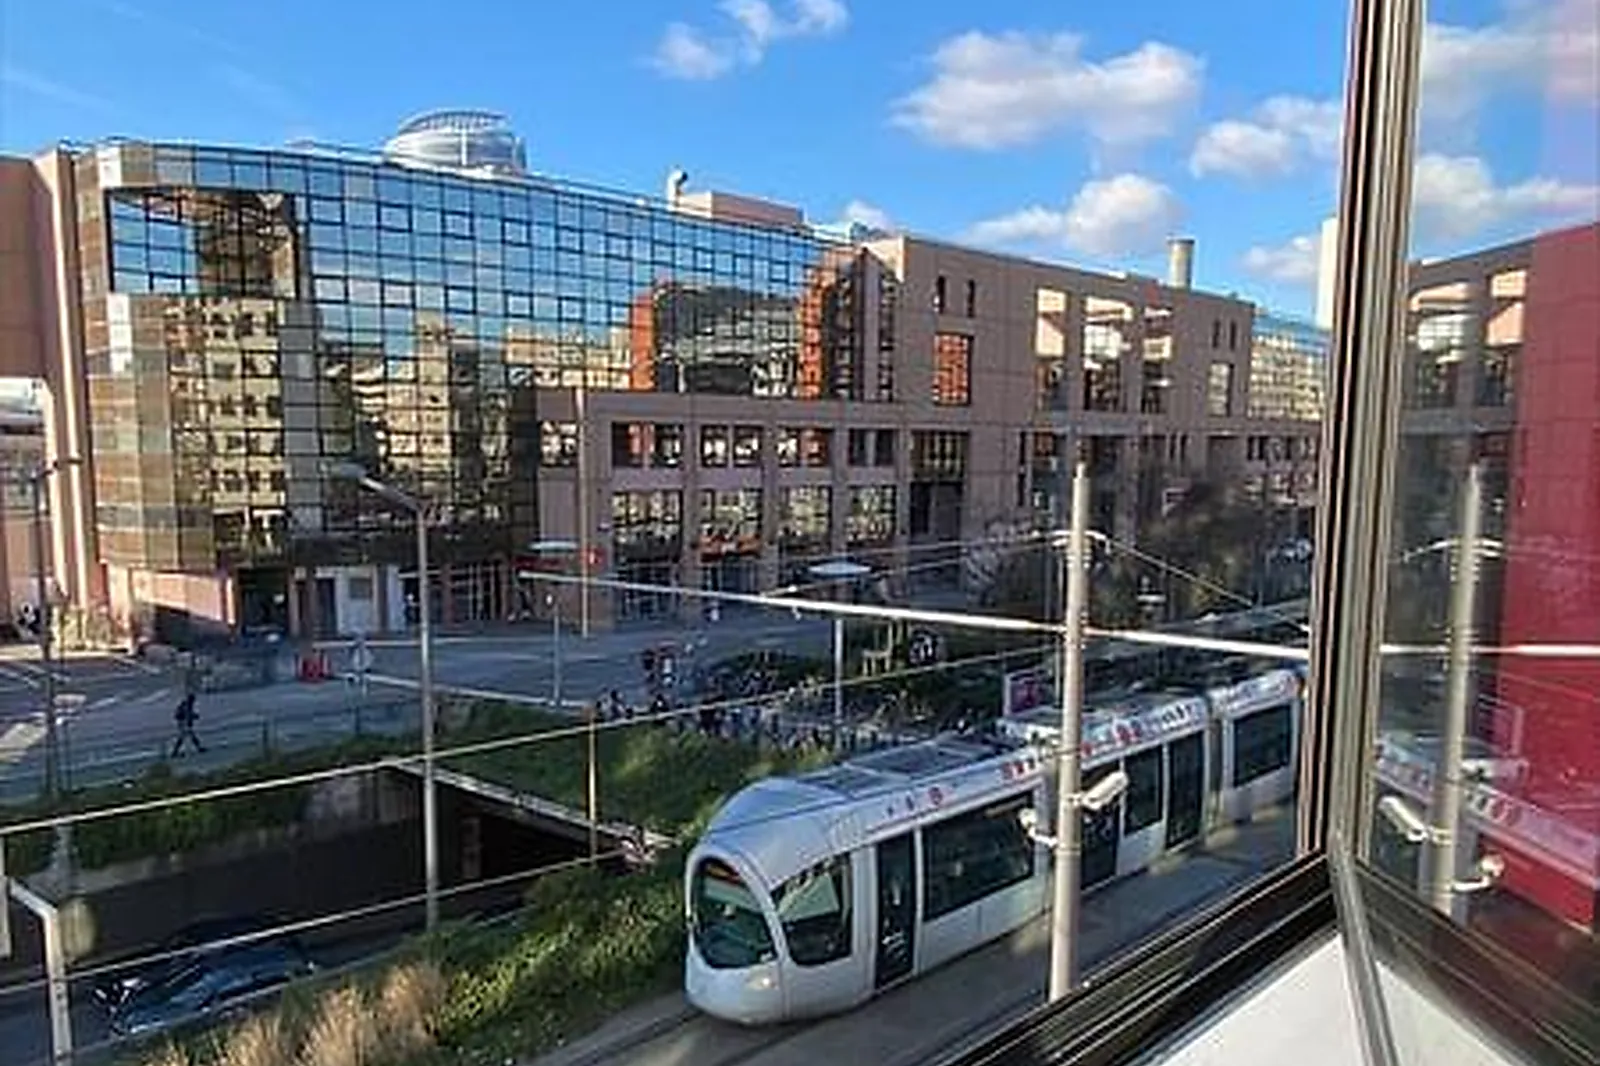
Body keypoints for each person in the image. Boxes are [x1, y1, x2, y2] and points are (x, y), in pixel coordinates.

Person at [171, 691, 203, 756]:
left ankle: (175, 751)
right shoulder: (187, 705)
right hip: (183, 723)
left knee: (187, 737)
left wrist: (193, 716)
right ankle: (175, 752)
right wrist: (194, 716)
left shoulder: (185, 704)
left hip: (182, 723)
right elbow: (188, 714)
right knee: (184, 737)